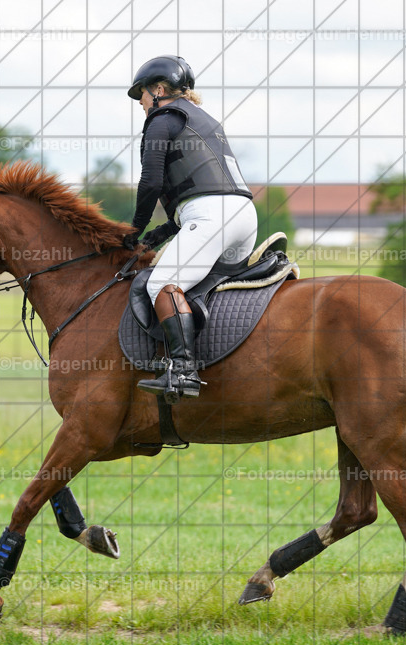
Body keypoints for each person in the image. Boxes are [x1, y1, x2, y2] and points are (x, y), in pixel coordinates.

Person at [128, 55, 257, 401]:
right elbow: (202, 185)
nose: (140, 103)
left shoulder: (161, 119)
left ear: (158, 90)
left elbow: (151, 183)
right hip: (243, 217)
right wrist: (165, 230)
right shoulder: (206, 120)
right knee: (196, 285)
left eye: (141, 94)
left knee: (162, 285)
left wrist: (134, 228)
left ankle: (183, 370)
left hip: (211, 217)